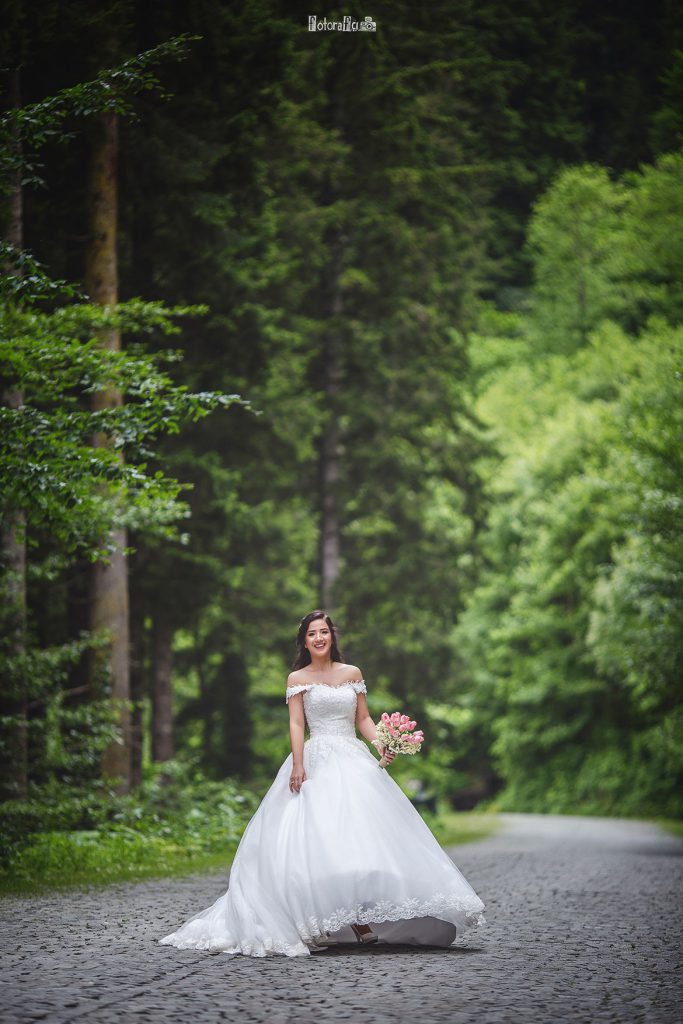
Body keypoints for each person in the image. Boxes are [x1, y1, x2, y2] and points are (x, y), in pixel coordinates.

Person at [160, 610, 486, 957]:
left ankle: (361, 916)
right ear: (304, 641)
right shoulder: (297, 677)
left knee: (363, 837)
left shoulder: (352, 674)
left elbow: (363, 718)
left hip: (352, 758)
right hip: (316, 759)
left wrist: (384, 746)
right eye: (312, 633)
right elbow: (297, 724)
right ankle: (325, 921)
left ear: (332, 637)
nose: (319, 638)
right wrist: (298, 764)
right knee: (320, 838)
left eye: (324, 632)